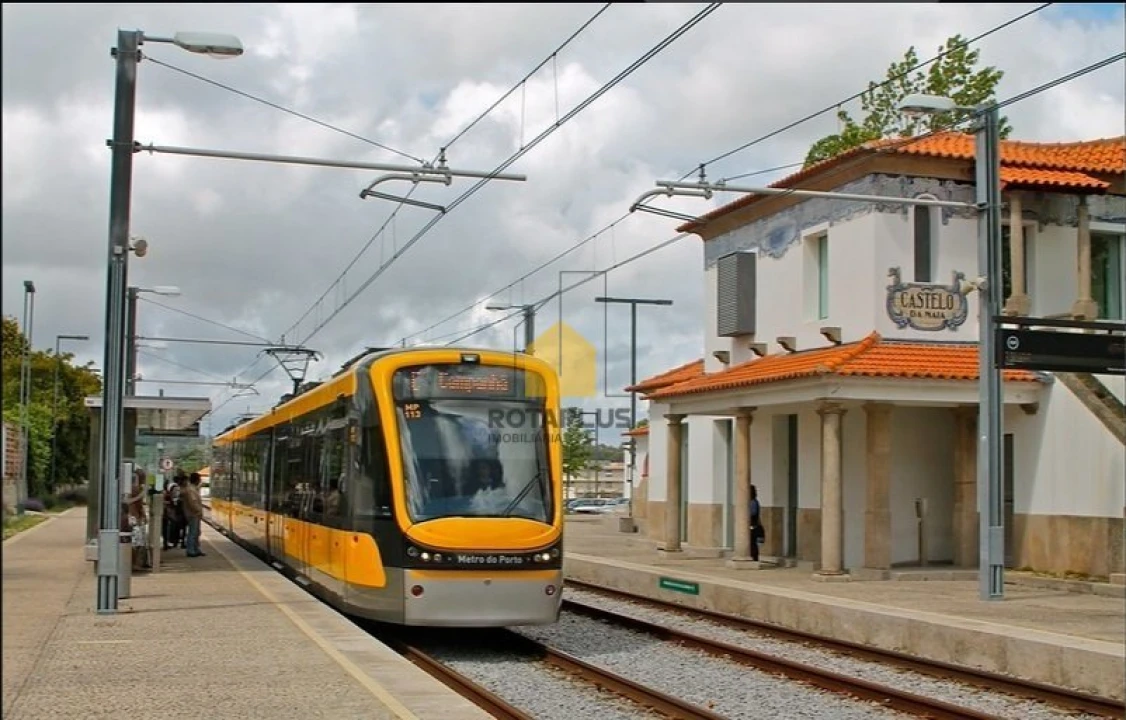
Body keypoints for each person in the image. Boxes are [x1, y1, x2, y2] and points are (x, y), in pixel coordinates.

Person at [182, 472, 206, 557]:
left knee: (196, 532)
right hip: (193, 514)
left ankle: (196, 549)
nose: (200, 481)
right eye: (199, 479)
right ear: (196, 480)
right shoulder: (191, 490)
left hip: (194, 514)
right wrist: (199, 511)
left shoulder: (193, 489)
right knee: (193, 532)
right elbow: (193, 503)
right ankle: (191, 550)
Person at [749, 484, 764, 562]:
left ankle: (754, 558)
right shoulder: (752, 502)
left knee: (752, 544)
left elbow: (753, 513)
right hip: (752, 525)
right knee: (751, 544)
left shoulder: (753, 502)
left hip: (753, 526)